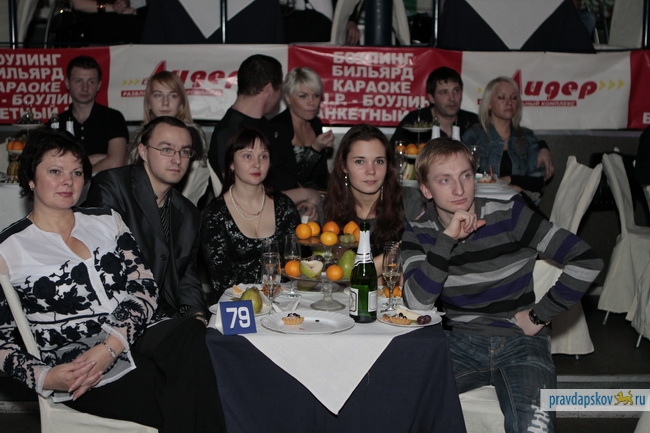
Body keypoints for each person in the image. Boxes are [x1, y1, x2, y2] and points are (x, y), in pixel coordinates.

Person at [0, 128, 226, 432]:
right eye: (55, 171)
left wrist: (110, 346)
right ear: (30, 177)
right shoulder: (9, 248)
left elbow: (145, 289)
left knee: (192, 335)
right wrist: (45, 377)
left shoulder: (105, 220)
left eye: (76, 172)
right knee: (185, 385)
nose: (68, 181)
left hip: (136, 333)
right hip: (79, 365)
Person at [401, 137, 603, 433]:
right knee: (399, 406)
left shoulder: (510, 215)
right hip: (458, 343)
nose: (459, 189)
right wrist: (446, 241)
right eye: (445, 180)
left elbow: (587, 260)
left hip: (521, 342)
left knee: (534, 428)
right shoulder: (418, 231)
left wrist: (539, 316)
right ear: (426, 190)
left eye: (465, 176)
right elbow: (417, 304)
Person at [85, 116, 208, 323]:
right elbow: (104, 266)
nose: (177, 160)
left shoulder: (189, 213)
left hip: (164, 315)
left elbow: (186, 276)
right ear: (143, 152)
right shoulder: (112, 187)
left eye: (184, 151)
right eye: (167, 149)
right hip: (115, 313)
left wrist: (196, 314)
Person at [207, 54, 322, 220]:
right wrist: (304, 194)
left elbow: (289, 175)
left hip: (287, 212)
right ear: (269, 89)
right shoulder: (229, 132)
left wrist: (304, 200)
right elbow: (241, 199)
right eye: (279, 89)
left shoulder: (270, 127)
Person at [391, 67, 554, 181]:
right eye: (444, 92)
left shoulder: (472, 122)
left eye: (456, 90)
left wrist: (543, 147)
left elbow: (509, 133)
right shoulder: (415, 122)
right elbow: (392, 154)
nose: (452, 98)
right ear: (431, 98)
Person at [202, 127, 300, 300]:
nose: (257, 163)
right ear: (231, 163)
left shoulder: (284, 206)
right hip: (236, 305)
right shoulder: (215, 213)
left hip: (282, 302)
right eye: (247, 156)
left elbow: (295, 267)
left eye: (263, 156)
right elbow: (220, 281)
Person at [126, 70, 211, 206]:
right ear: (149, 102)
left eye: (173, 96)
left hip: (168, 209)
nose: (165, 102)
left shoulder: (190, 134)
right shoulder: (139, 135)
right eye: (158, 95)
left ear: (181, 102)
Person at [323, 124, 408, 257]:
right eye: (360, 161)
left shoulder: (409, 202)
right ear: (344, 165)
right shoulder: (326, 208)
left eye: (379, 161)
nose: (371, 171)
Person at [462, 76, 554, 196]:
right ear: (489, 103)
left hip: (521, 201)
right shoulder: (474, 135)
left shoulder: (527, 136)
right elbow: (464, 176)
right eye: (502, 97)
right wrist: (501, 185)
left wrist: (509, 180)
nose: (509, 102)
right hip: (484, 200)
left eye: (514, 98)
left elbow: (538, 181)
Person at [51, 55, 128, 173]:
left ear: (99, 85)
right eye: (78, 81)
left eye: (91, 82)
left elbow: (116, 162)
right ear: (67, 83)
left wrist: (79, 173)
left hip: (104, 185)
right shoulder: (56, 123)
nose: (85, 88)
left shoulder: (113, 118)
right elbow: (51, 164)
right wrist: (98, 159)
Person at [270, 67, 334, 191]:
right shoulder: (277, 127)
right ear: (288, 98)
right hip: (287, 197)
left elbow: (320, 176)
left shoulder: (315, 123)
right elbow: (287, 180)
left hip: (318, 196)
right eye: (303, 96)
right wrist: (315, 149)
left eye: (316, 96)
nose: (312, 102)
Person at [69, 0, 147, 45]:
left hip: (123, 34)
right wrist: (113, 8)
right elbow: (78, 4)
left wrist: (124, 3)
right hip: (95, 35)